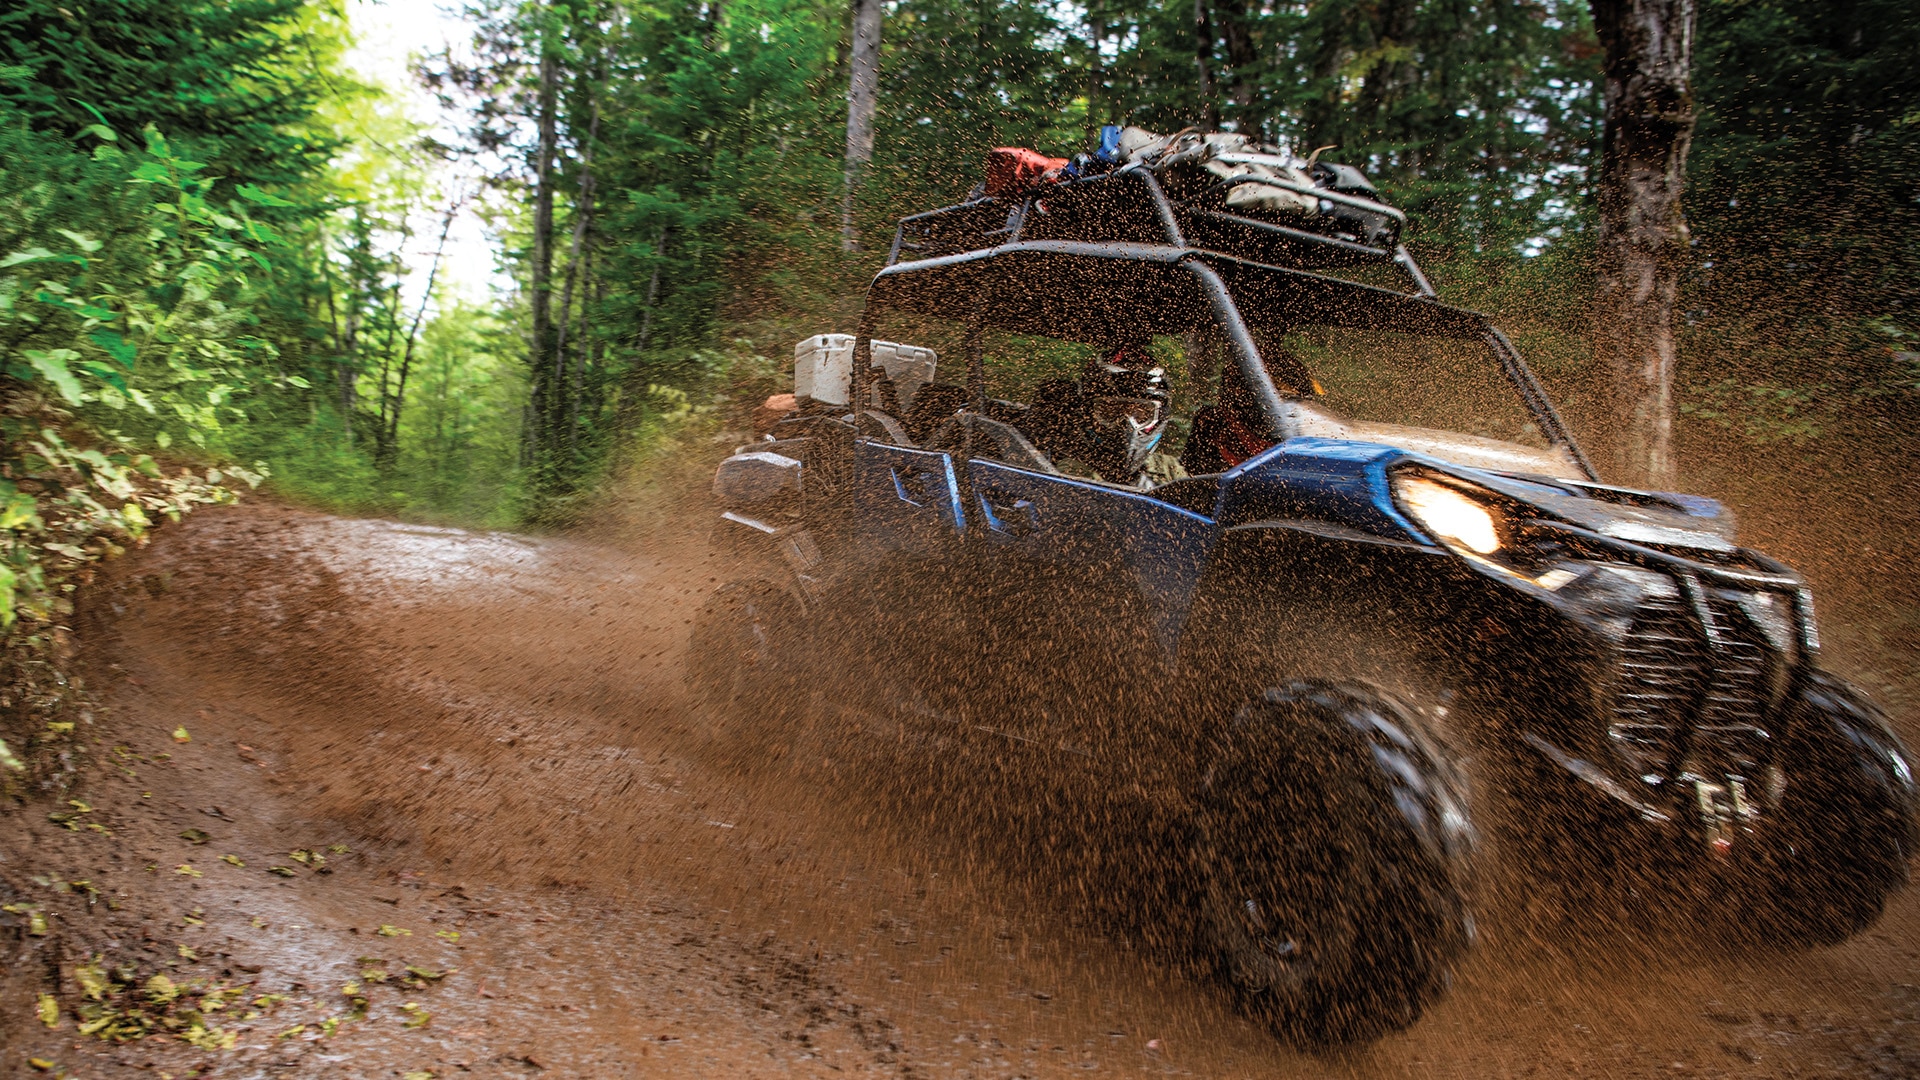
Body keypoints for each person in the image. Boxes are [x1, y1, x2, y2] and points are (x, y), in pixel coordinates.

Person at [1020, 338, 1179, 488]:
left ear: (1160, 416)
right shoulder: (1051, 469)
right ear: (1087, 412)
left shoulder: (1172, 473)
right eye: (1111, 410)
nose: (1126, 424)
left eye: (1139, 413)